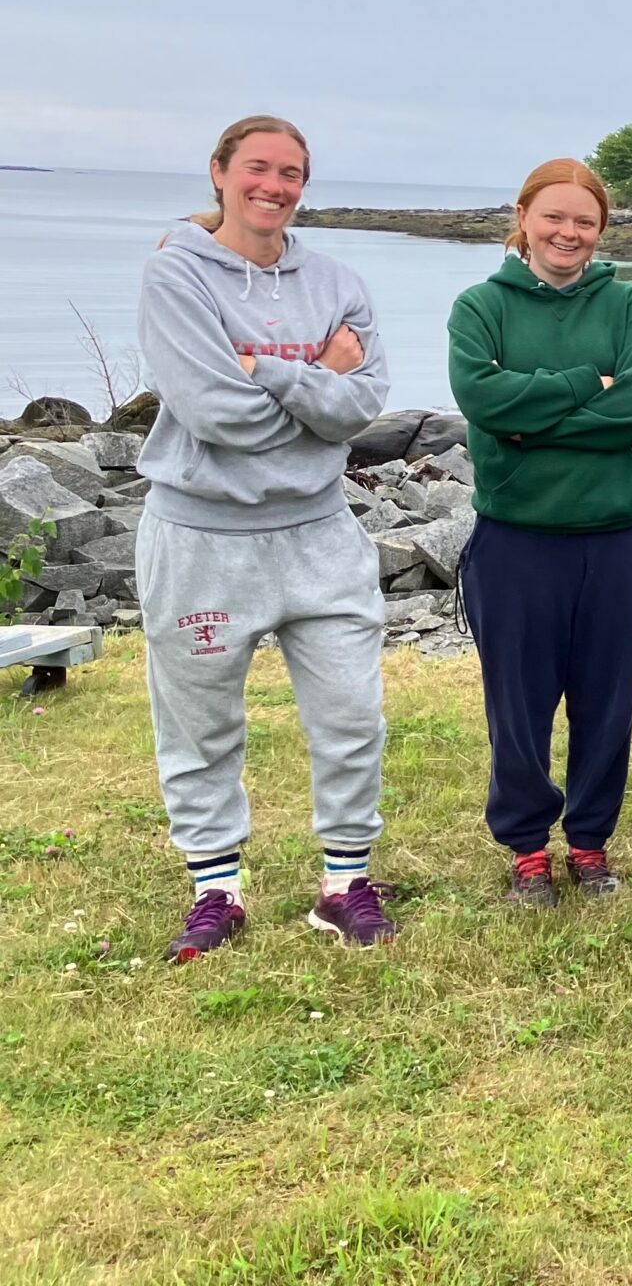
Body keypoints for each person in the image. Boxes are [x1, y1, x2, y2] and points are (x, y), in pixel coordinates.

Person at [141, 115, 397, 961]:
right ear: (219, 173)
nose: (274, 187)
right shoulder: (176, 278)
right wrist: (319, 378)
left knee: (352, 715)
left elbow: (363, 408)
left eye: (291, 173)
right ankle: (216, 890)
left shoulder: (337, 280)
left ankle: (344, 883)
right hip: (200, 537)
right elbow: (216, 414)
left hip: (319, 535)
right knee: (201, 723)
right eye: (257, 169)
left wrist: (271, 372)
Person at [448, 158, 632, 907]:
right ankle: (526, 850)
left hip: (625, 535)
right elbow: (482, 398)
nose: (568, 233)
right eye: (554, 216)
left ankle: (589, 842)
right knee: (519, 699)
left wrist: (531, 424)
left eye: (585, 221)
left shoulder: (631, 305)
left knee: (607, 698)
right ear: (523, 216)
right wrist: (586, 386)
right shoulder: (481, 307)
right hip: (518, 538)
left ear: (601, 230)